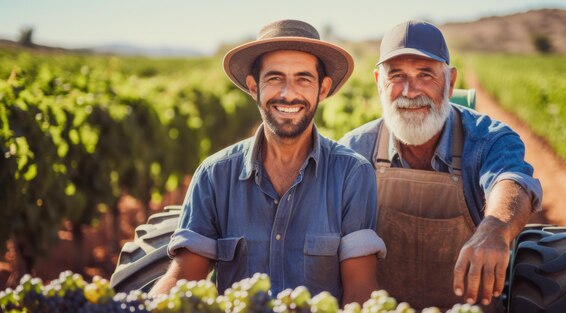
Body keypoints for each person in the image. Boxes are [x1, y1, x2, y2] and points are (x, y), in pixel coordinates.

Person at [149, 19, 386, 304]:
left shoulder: (352, 174)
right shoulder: (214, 175)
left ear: (322, 89)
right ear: (253, 87)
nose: (288, 93)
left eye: (303, 79)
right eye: (275, 78)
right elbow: (183, 277)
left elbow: (360, 290)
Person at [339, 21, 542, 310]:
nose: (410, 91)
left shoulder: (487, 139)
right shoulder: (354, 149)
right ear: (377, 82)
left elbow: (511, 181)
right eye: (396, 75)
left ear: (450, 82)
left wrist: (495, 229)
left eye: (425, 75)